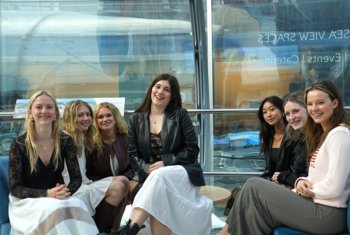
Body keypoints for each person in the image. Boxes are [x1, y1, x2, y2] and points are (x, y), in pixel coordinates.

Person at [219, 80, 350, 235]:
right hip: (319, 205)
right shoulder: (325, 135)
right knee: (257, 212)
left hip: (328, 214)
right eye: (310, 104)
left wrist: (307, 190)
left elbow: (335, 186)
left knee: (253, 185)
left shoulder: (340, 135)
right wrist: (303, 182)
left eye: (320, 103)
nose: (314, 109)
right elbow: (320, 176)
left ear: (335, 103)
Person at [116, 73, 213, 235]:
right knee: (159, 204)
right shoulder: (135, 119)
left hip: (181, 172)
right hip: (152, 177)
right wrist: (148, 169)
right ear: (151, 89)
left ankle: (130, 228)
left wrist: (166, 162)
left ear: (172, 95)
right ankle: (130, 230)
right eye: (157, 87)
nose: (160, 92)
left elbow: (192, 150)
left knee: (160, 175)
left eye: (166, 89)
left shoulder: (180, 115)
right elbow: (133, 155)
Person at [8, 90, 98, 235]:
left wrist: (65, 192)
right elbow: (15, 187)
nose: (44, 111)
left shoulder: (65, 140)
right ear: (30, 113)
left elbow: (76, 178)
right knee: (52, 209)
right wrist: (47, 193)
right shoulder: (18, 144)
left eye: (49, 107)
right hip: (27, 202)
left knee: (77, 204)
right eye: (39, 107)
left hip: (57, 198)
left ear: (56, 113)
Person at [62, 100, 130, 233]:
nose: (86, 118)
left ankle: (112, 229)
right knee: (119, 185)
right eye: (80, 115)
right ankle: (98, 229)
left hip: (84, 183)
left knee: (123, 181)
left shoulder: (82, 137)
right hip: (72, 189)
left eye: (88, 114)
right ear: (71, 117)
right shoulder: (65, 139)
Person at [86, 102, 137, 231]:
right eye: (100, 117)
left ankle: (128, 227)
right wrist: (113, 181)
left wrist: (123, 178)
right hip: (99, 184)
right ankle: (102, 229)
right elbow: (88, 172)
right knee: (121, 184)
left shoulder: (126, 139)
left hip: (124, 179)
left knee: (136, 188)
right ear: (96, 121)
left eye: (108, 115)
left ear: (115, 117)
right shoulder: (91, 142)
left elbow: (133, 166)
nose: (105, 119)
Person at [272, 91, 308, 188]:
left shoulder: (316, 139)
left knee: (252, 184)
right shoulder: (297, 136)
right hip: (292, 189)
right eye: (287, 114)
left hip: (306, 196)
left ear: (308, 109)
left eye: (296, 111)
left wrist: (284, 177)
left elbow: (307, 179)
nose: (291, 117)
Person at [257, 96, 288, 180]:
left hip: (288, 184)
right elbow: (268, 170)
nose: (269, 115)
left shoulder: (293, 136)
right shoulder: (268, 137)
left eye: (272, 109)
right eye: (265, 112)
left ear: (282, 110)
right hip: (273, 183)